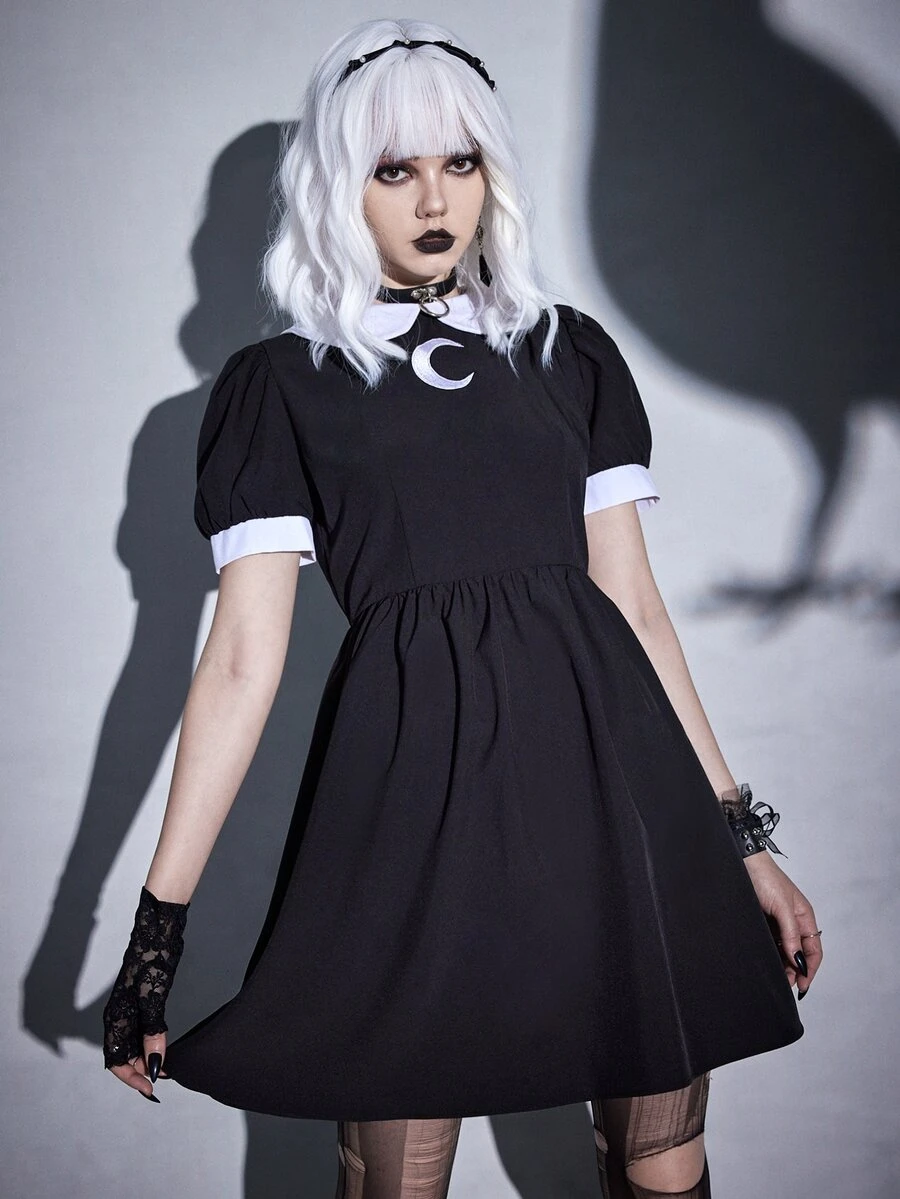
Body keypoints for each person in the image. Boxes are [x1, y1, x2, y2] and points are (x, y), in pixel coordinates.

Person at [101, 18, 823, 1198]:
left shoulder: (567, 354)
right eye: (395, 169)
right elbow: (238, 660)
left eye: (461, 162)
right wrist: (154, 932)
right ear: (340, 185)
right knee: (395, 1175)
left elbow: (636, 609)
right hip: (413, 807)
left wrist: (745, 838)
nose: (435, 199)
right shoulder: (282, 385)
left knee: (662, 1165)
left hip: (615, 789)